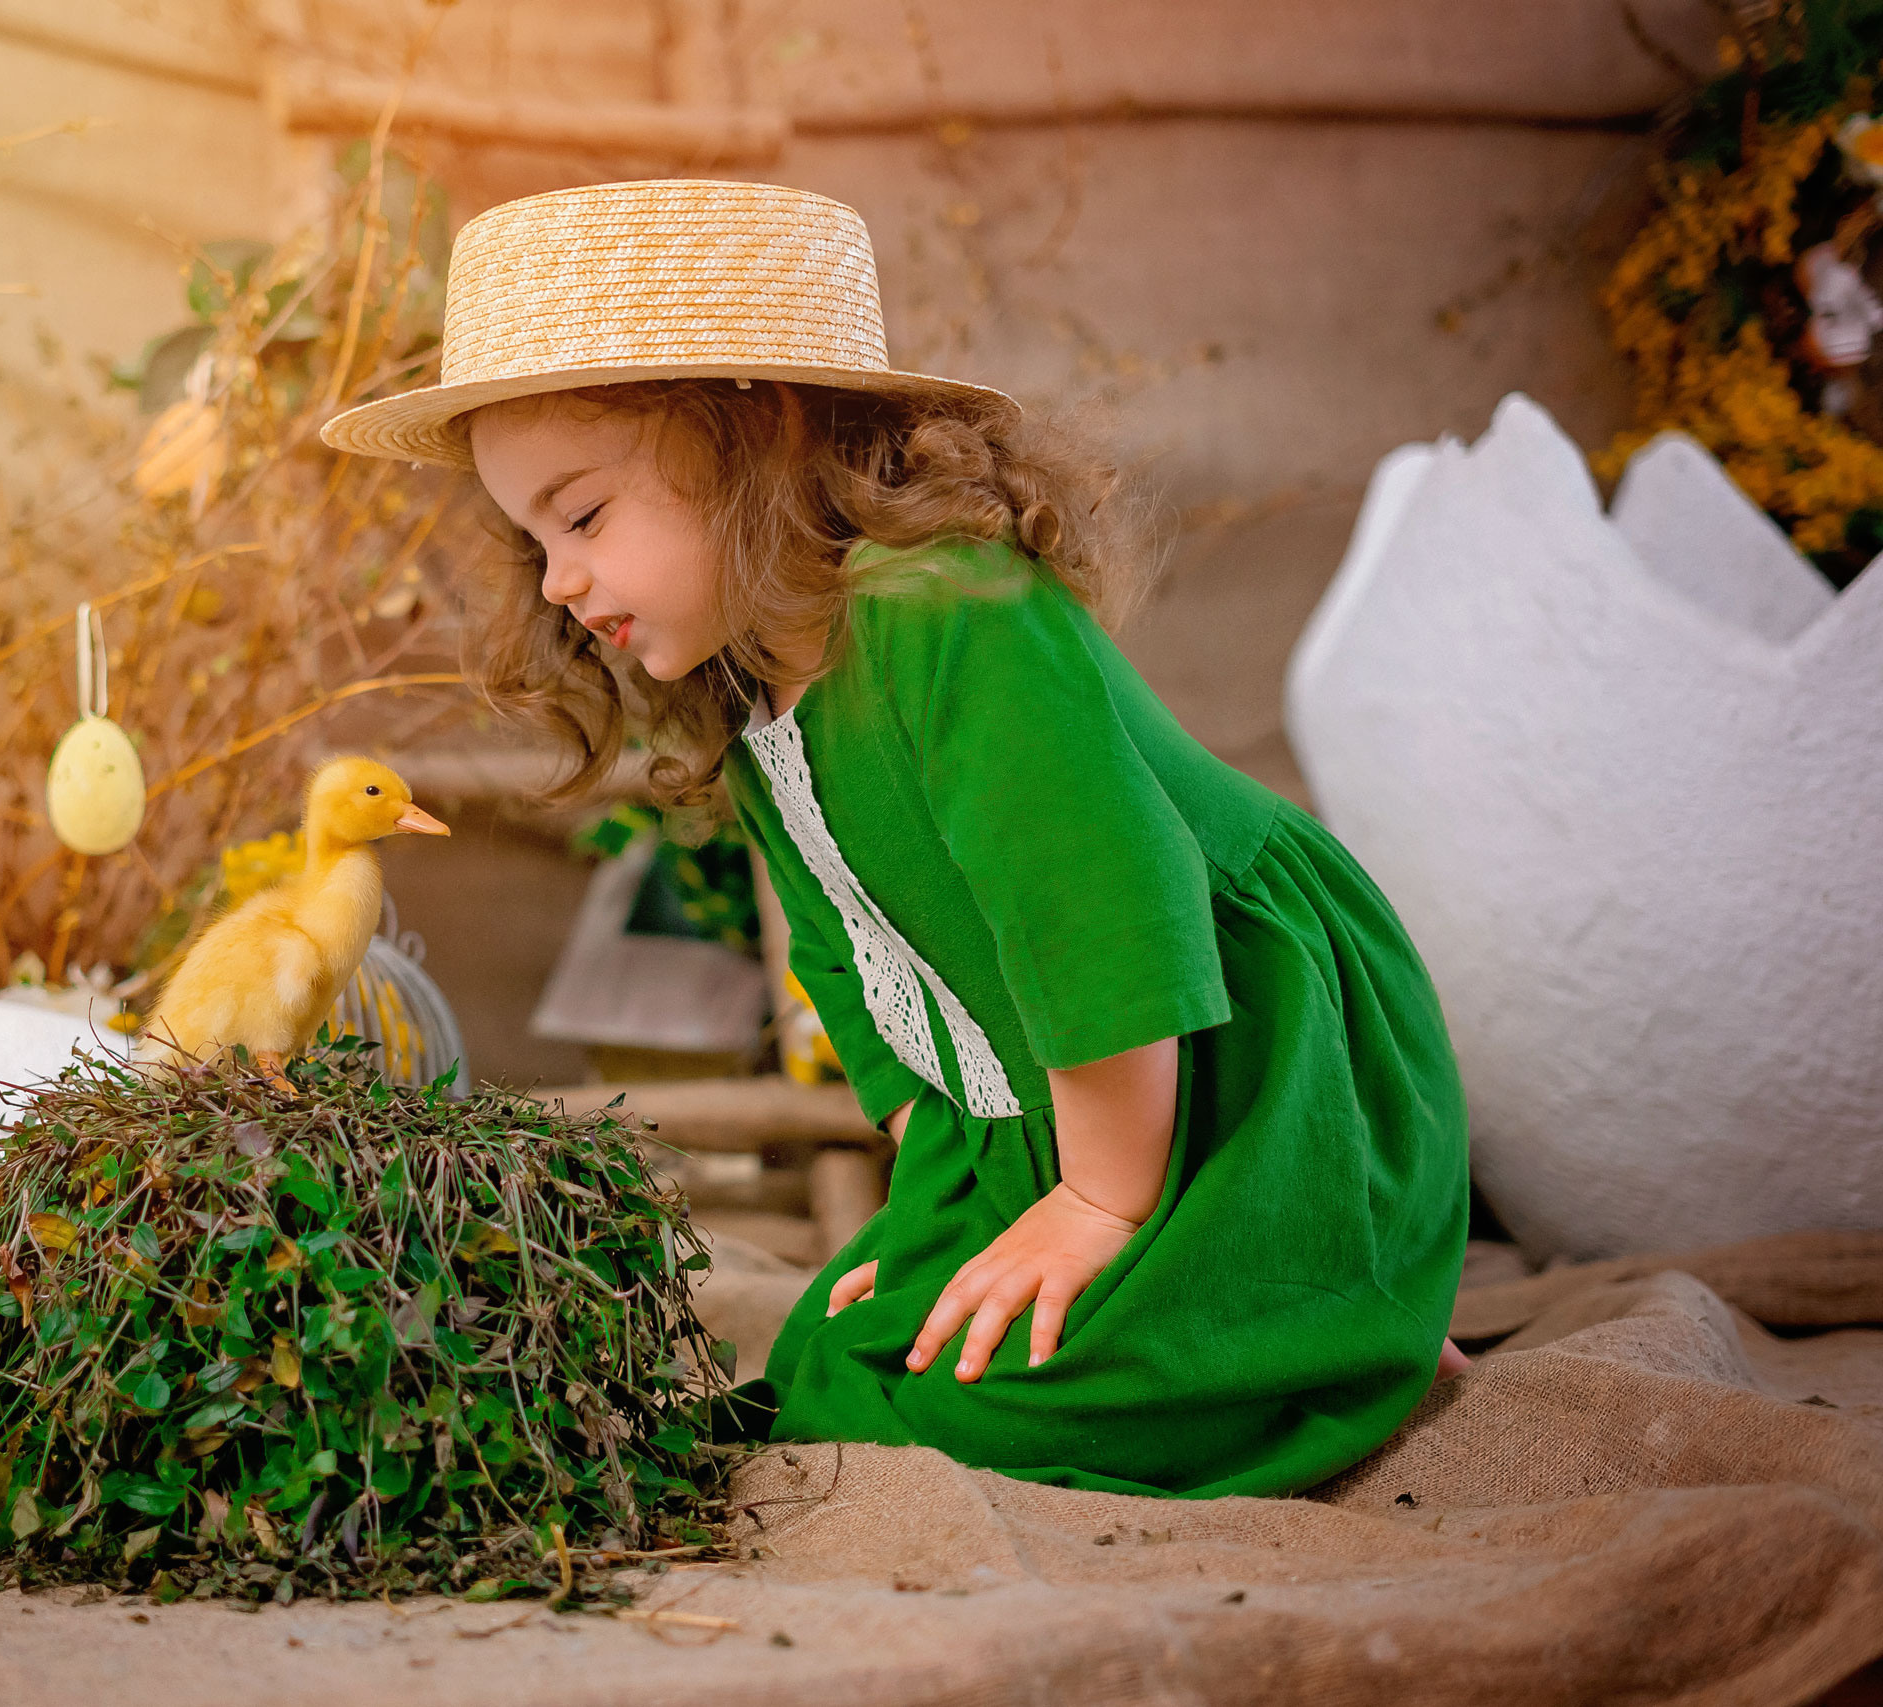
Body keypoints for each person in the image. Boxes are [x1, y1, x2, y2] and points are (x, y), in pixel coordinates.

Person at [321, 179, 1469, 1498]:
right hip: (1065, 1105)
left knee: (1035, 1414)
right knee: (835, 1361)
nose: (564, 582)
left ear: (756, 434)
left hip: (1243, 1069)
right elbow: (870, 983)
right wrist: (936, 1207)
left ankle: (1317, 1305)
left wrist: (1101, 1203)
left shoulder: (953, 615)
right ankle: (1123, 1288)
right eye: (536, 546)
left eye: (582, 518)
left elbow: (1103, 919)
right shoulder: (750, 698)